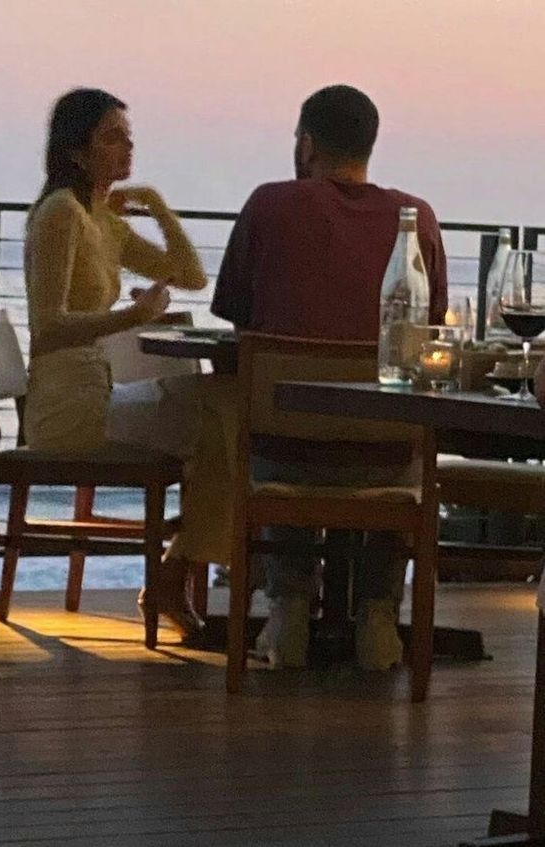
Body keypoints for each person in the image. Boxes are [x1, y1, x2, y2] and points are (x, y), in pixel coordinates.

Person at [211, 84, 448, 670]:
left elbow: (243, 326)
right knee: (400, 445)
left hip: (284, 452)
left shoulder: (268, 205)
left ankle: (288, 607)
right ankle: (375, 614)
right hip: (384, 454)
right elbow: (431, 342)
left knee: (275, 431)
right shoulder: (415, 220)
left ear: (307, 144)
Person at [24, 87, 209, 638]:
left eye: (129, 137)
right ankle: (180, 579)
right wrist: (134, 316)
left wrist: (158, 207)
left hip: (96, 394)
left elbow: (191, 275)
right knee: (217, 419)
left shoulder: (102, 219)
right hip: (68, 409)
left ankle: (177, 577)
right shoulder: (61, 212)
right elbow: (47, 327)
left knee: (218, 419)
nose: (125, 149)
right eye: (111, 137)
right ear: (76, 152)